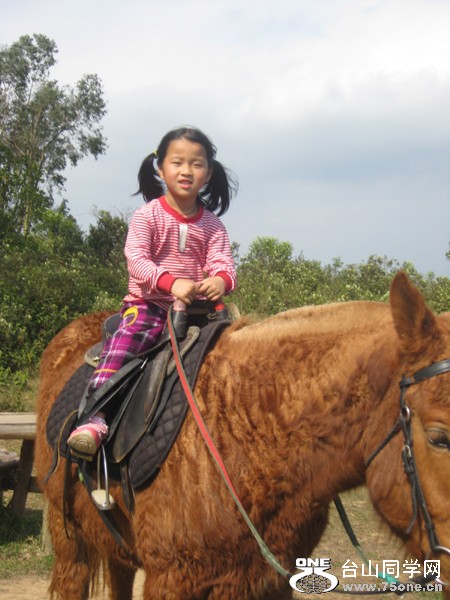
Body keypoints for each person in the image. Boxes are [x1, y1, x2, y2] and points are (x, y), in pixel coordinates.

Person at [67, 126, 238, 456]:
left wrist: (220, 281)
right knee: (128, 341)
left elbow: (224, 263)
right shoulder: (148, 216)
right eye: (177, 162)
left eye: (196, 164)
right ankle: (96, 415)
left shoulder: (213, 224)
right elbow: (136, 260)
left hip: (200, 310)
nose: (186, 170)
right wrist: (171, 283)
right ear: (160, 168)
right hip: (151, 305)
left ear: (208, 173)